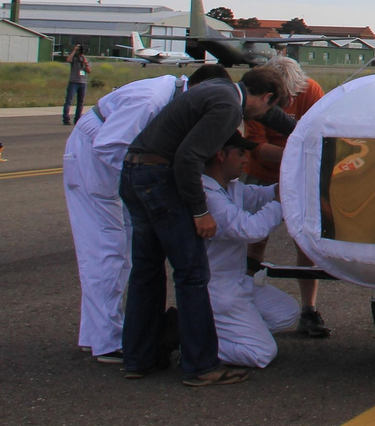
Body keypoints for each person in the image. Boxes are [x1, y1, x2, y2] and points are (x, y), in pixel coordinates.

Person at [119, 65, 294, 385]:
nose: (263, 118)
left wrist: (304, 131)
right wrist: (200, 212)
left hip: (134, 171)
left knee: (146, 270)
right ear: (266, 96)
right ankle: (200, 365)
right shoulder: (230, 108)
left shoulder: (219, 89)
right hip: (158, 178)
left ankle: (138, 358)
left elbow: (274, 117)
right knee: (192, 273)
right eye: (269, 107)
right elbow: (188, 158)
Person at [63, 65, 230, 363]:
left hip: (111, 162)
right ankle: (108, 341)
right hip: (95, 159)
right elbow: (109, 146)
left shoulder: (173, 96)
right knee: (106, 251)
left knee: (120, 252)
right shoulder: (151, 100)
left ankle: (96, 334)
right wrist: (149, 185)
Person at [241, 57, 331, 337]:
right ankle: (244, 303)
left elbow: (321, 131)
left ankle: (309, 310)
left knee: (305, 242)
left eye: (294, 95)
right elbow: (256, 147)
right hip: (263, 173)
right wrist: (295, 153)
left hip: (300, 174)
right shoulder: (257, 99)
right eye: (285, 98)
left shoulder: (311, 90)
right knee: (254, 240)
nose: (291, 101)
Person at [201, 132, 300, 368]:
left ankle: (225, 330)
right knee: (261, 353)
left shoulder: (230, 187)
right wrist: (280, 203)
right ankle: (193, 342)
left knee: (287, 312)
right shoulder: (208, 195)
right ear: (221, 155)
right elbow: (250, 230)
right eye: (240, 154)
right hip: (218, 289)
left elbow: (260, 196)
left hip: (237, 282)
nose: (246, 160)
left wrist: (286, 186)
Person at [64, 44, 91, 125]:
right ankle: (66, 119)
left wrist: (86, 63)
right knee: (69, 101)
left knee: (81, 102)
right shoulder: (74, 58)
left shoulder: (86, 59)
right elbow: (68, 59)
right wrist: (74, 50)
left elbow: (89, 71)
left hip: (83, 82)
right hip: (74, 82)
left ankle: (77, 119)